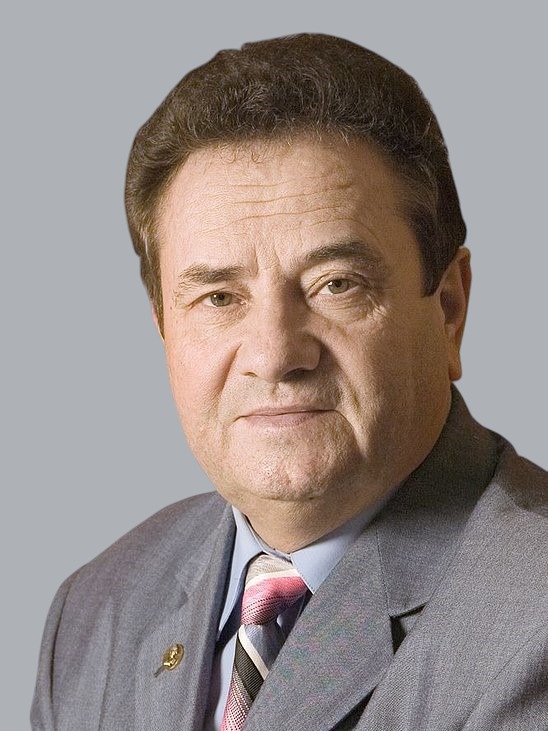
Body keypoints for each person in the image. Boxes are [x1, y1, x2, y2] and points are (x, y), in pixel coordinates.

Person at [32, 34, 547, 730]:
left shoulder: (531, 623)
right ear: (164, 328)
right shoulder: (96, 612)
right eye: (218, 297)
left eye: (336, 284)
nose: (275, 355)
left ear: (449, 308)